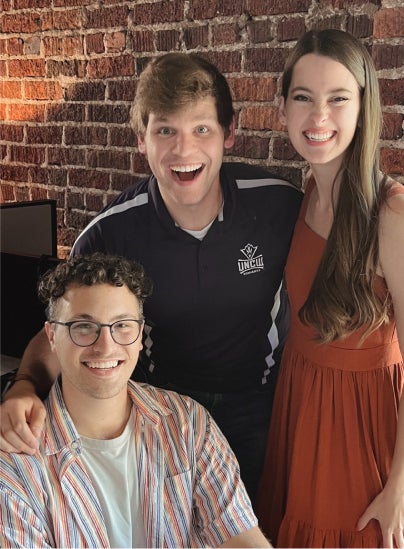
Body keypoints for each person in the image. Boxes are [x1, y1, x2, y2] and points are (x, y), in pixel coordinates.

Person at [0, 52, 302, 503]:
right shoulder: (109, 233)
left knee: (253, 522)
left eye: (201, 129)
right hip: (160, 409)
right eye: (165, 131)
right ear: (141, 139)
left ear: (229, 133)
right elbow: (66, 329)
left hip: (261, 406)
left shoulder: (280, 205)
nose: (183, 150)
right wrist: (23, 385)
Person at [0, 252, 271, 548]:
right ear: (52, 336)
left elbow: (240, 534)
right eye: (83, 326)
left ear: (140, 334)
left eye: (122, 325)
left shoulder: (189, 423)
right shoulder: (15, 461)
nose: (106, 347)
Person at [255, 28, 404, 548]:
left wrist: (400, 486)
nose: (319, 117)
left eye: (338, 99)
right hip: (299, 406)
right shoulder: (308, 193)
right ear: (282, 109)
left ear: (364, 108)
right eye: (304, 97)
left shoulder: (392, 212)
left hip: (361, 425)